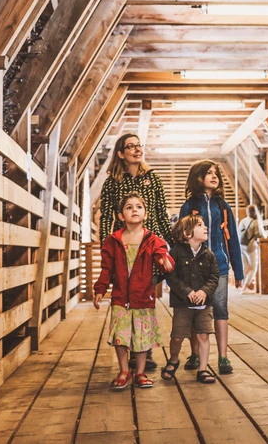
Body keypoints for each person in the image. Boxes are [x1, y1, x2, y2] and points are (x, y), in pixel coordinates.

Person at [98, 133, 171, 372]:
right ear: (121, 153)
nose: (137, 150)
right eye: (131, 146)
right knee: (125, 298)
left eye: (139, 145)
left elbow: (161, 212)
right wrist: (104, 246)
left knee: (144, 296)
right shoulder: (112, 183)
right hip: (124, 249)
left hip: (150, 247)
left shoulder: (153, 178)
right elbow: (107, 216)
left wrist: (170, 244)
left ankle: (144, 350)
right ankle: (128, 346)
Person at [94, 193, 174, 389]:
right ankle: (123, 371)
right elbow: (107, 269)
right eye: (129, 207)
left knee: (141, 337)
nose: (134, 210)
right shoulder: (113, 241)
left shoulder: (152, 239)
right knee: (121, 336)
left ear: (145, 214)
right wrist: (100, 289)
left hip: (143, 296)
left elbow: (163, 255)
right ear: (121, 216)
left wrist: (166, 262)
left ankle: (140, 372)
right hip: (120, 297)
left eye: (138, 206)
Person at [179, 160, 244, 375]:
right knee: (196, 309)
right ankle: (195, 353)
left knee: (220, 309)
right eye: (209, 173)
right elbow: (180, 239)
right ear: (198, 177)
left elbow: (232, 238)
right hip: (194, 267)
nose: (214, 176)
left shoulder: (223, 207)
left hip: (220, 266)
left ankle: (223, 357)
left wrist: (239, 269)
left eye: (216, 173)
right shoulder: (188, 207)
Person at [161, 214, 221, 385]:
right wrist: (187, 292)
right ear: (187, 233)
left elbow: (214, 276)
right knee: (178, 336)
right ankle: (173, 360)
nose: (205, 228)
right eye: (200, 225)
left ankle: (202, 368)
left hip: (204, 305)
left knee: (203, 335)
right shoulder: (176, 252)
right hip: (183, 304)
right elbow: (171, 275)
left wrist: (204, 292)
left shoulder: (208, 254)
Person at [237, 205, 263, 293]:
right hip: (250, 247)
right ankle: (245, 287)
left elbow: (238, 233)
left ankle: (243, 286)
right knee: (253, 268)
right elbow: (258, 235)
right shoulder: (255, 222)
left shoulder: (243, 221)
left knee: (244, 267)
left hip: (241, 246)